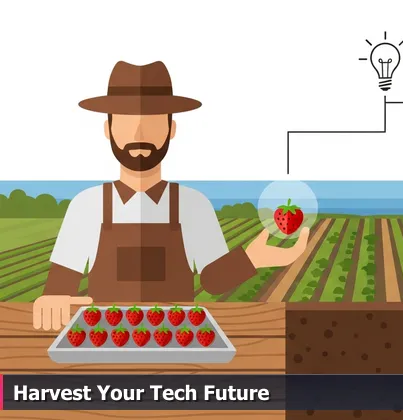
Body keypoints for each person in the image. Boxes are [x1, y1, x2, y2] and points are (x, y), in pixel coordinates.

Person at [32, 61, 309, 330]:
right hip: (106, 341)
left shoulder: (193, 204)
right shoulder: (87, 205)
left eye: (152, 121)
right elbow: (60, 285)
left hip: (177, 340)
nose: (139, 133)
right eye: (126, 121)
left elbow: (212, 280)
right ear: (108, 129)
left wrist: (253, 258)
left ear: (171, 129)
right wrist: (52, 300)